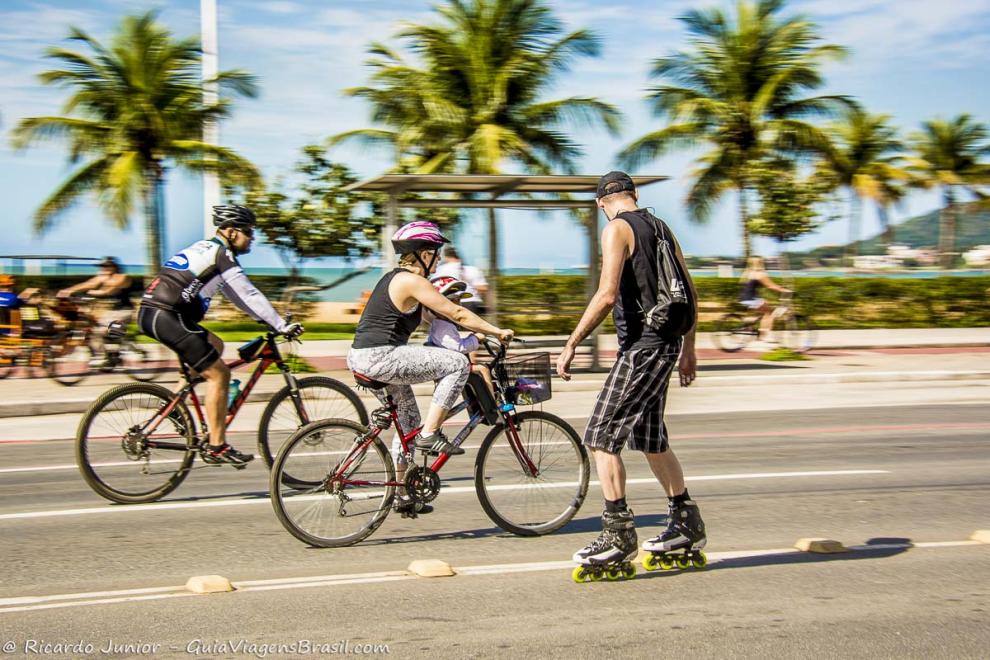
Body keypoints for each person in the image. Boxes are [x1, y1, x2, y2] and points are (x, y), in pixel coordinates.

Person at [556, 171, 706, 569]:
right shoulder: (660, 227)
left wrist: (572, 342)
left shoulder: (617, 228)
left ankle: (618, 534)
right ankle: (686, 522)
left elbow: (606, 295)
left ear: (601, 203)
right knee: (650, 438)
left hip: (642, 348)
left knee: (601, 435)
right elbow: (689, 291)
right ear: (634, 194)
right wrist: (689, 349)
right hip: (668, 343)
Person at [347, 221, 513, 515]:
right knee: (458, 363)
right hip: (381, 357)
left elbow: (439, 317)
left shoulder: (396, 280)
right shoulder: (411, 281)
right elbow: (457, 311)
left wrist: (471, 333)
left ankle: (402, 494)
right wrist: (496, 331)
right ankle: (432, 433)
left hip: (368, 358)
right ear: (422, 254)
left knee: (408, 422)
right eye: (435, 254)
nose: (437, 260)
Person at [138, 205, 303, 466]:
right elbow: (248, 294)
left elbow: (236, 296)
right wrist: (281, 325)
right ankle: (217, 446)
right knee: (219, 374)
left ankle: (174, 404)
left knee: (215, 344)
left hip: (153, 314)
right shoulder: (222, 255)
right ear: (231, 231)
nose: (252, 237)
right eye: (248, 232)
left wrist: (268, 320)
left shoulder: (204, 248)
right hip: (168, 316)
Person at [425, 275, 495, 395]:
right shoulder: (442, 326)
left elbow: (452, 344)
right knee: (483, 369)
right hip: (448, 367)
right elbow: (459, 347)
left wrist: (470, 338)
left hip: (449, 364)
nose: (459, 305)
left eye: (459, 300)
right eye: (453, 300)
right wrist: (476, 338)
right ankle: (492, 406)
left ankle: (480, 402)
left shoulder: (444, 324)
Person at [57, 257, 134, 361]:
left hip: (125, 311)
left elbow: (112, 287)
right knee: (93, 330)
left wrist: (99, 291)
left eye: (106, 266)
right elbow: (88, 284)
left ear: (114, 267)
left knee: (100, 331)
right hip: (111, 312)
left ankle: (103, 356)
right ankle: (107, 355)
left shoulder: (123, 277)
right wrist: (68, 291)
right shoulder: (102, 277)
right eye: (102, 266)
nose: (103, 268)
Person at [739, 256, 791, 341]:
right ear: (761, 263)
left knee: (763, 309)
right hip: (752, 299)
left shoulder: (748, 273)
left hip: (744, 298)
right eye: (763, 262)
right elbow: (770, 286)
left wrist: (778, 287)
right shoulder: (760, 274)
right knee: (769, 313)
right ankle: (766, 335)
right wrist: (784, 290)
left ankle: (748, 325)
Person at [434, 245, 489, 316]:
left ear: (446, 257)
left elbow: (435, 288)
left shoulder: (441, 269)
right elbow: (483, 288)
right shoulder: (473, 269)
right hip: (473, 304)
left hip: (454, 304)